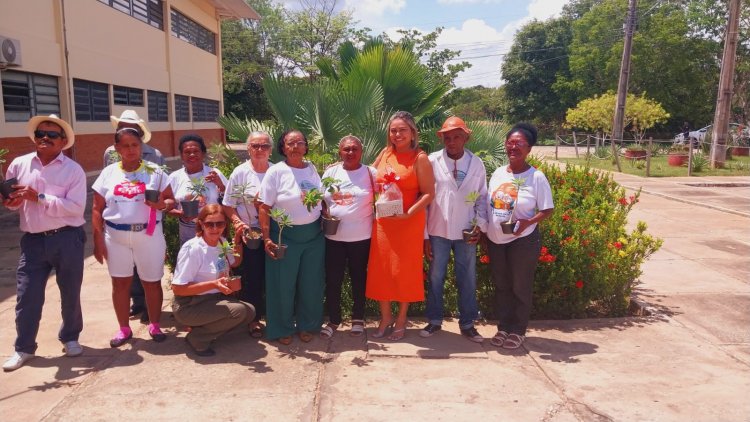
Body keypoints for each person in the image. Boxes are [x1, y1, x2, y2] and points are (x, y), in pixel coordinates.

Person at [2, 114, 86, 372]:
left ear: (63, 141)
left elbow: (75, 208)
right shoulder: (19, 164)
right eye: (41, 134)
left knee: (70, 293)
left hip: (67, 238)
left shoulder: (73, 170)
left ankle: (70, 337)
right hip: (33, 241)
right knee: (27, 295)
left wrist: (39, 197)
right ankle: (24, 348)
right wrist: (12, 202)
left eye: (52, 135)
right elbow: (14, 203)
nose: (45, 138)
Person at [92, 126, 175, 348]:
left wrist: (160, 204)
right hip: (116, 236)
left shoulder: (155, 172)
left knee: (152, 282)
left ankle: (155, 324)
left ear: (141, 146)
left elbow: (170, 200)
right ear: (117, 148)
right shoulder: (108, 173)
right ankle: (124, 329)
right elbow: (96, 208)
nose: (130, 150)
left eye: (135, 145)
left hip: (148, 235)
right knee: (120, 283)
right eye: (125, 146)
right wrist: (98, 239)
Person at [366, 111, 435, 341]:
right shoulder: (385, 153)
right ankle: (385, 317)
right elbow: (368, 175)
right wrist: (341, 166)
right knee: (382, 270)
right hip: (384, 223)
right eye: (393, 130)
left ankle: (402, 318)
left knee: (404, 271)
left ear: (413, 132)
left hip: (408, 224)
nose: (397, 134)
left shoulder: (420, 158)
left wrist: (407, 215)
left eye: (402, 130)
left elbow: (428, 194)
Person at [486, 122, 554, 350]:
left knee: (520, 285)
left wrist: (528, 222)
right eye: (510, 142)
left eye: (519, 144)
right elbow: (490, 203)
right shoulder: (497, 173)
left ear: (529, 148)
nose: (513, 147)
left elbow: (547, 209)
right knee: (502, 285)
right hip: (497, 240)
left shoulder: (536, 177)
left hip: (523, 241)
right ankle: (504, 327)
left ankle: (518, 330)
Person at [421, 116, 488, 343]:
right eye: (447, 137)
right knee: (436, 276)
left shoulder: (476, 164)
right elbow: (424, 199)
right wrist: (424, 235)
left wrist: (479, 225)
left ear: (466, 138)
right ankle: (434, 319)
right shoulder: (432, 161)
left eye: (456, 137)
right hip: (437, 230)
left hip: (466, 231)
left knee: (467, 277)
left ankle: (468, 323)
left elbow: (482, 198)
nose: (451, 141)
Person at [258, 130, 324, 345]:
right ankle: (282, 328)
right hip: (284, 235)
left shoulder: (312, 168)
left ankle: (308, 325)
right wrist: (267, 238)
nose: (295, 146)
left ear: (306, 147)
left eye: (299, 142)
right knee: (282, 284)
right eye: (290, 143)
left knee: (311, 283)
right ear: (283, 148)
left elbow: (321, 197)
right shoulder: (276, 172)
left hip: (314, 236)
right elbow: (264, 206)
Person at [103, 110, 164, 323]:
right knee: (125, 276)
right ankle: (137, 303)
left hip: (147, 227)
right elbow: (107, 189)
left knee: (149, 275)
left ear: (140, 131)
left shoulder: (154, 157)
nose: (130, 148)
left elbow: (164, 192)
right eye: (121, 126)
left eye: (130, 126)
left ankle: (151, 312)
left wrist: (159, 206)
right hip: (119, 230)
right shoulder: (109, 155)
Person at [171, 204, 255, 356]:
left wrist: (237, 240)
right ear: (201, 224)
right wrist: (213, 284)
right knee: (239, 312)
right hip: (189, 305)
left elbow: (235, 262)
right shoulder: (194, 249)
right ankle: (198, 338)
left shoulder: (221, 242)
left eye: (220, 224)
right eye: (210, 224)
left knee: (249, 312)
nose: (215, 228)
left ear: (225, 225)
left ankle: (201, 328)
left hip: (212, 299)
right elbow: (178, 288)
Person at [319, 135, 376, 339]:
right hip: (334, 238)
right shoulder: (331, 172)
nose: (350, 153)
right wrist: (325, 212)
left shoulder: (371, 173)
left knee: (359, 278)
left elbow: (386, 196)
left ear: (361, 151)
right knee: (333, 280)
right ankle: (334, 319)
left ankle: (358, 317)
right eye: (346, 149)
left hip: (362, 237)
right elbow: (321, 199)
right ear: (340, 152)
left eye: (354, 149)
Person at [223, 131, 273, 338]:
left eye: (263, 146)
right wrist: (238, 223)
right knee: (252, 277)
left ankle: (277, 317)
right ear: (248, 149)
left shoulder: (277, 171)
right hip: (250, 232)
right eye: (255, 146)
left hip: (275, 231)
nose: (259, 150)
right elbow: (228, 205)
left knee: (275, 277)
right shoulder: (240, 173)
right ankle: (254, 319)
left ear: (270, 149)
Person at [168, 134, 227, 247]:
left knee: (217, 262)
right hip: (187, 231)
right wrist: (179, 213)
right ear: (181, 155)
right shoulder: (174, 177)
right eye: (187, 152)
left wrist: (220, 184)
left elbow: (230, 200)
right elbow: (166, 205)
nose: (192, 155)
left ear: (203, 153)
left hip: (215, 229)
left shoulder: (214, 173)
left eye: (196, 151)